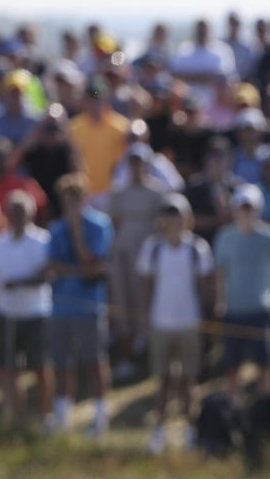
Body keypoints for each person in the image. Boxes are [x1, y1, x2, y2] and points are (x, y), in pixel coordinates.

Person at [136, 194, 214, 454]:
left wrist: (203, 318)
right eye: (168, 214)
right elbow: (146, 286)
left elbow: (205, 288)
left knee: (190, 381)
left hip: (188, 322)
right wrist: (145, 318)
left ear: (186, 218)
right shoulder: (152, 248)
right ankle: (159, 431)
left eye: (177, 214)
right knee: (164, 381)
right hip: (160, 322)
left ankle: (191, 432)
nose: (172, 219)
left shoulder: (197, 248)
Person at [212, 184, 270, 402]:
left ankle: (266, 415)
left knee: (265, 367)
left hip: (260, 311)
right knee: (231, 367)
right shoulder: (225, 236)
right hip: (233, 311)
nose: (246, 212)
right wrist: (219, 301)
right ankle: (233, 414)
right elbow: (220, 272)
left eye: (250, 207)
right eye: (242, 207)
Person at [47, 173, 113, 436]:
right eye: (67, 200)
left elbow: (91, 262)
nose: (71, 205)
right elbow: (54, 266)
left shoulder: (99, 225)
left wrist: (77, 233)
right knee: (61, 364)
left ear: (84, 198)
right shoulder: (55, 228)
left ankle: (99, 418)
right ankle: (62, 417)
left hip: (90, 307)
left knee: (94, 362)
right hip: (60, 306)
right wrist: (81, 269)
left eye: (75, 199)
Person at [106, 142, 166, 380]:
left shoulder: (158, 192)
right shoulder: (118, 193)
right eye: (132, 163)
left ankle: (151, 359)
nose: (136, 168)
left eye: (140, 163)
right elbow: (114, 223)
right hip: (122, 257)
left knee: (148, 304)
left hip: (149, 258)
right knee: (123, 303)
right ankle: (126, 357)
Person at [0, 190, 53, 424]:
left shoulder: (43, 241)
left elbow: (48, 274)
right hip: (7, 313)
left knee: (40, 366)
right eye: (14, 212)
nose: (18, 216)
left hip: (36, 312)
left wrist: (18, 283)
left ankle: (44, 414)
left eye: (22, 212)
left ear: (31, 213)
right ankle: (15, 414)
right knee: (8, 368)